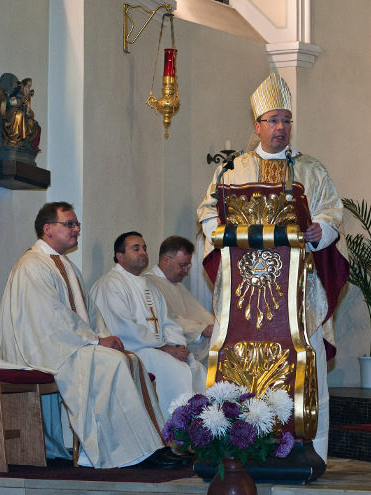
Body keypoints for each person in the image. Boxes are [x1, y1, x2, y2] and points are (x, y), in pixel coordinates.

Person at [197, 72, 349, 463]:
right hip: (246, 294)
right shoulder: (232, 171)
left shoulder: (311, 170)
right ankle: (238, 452)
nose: (280, 127)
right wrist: (222, 235)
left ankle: (310, 453)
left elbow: (333, 211)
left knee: (304, 364)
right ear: (257, 126)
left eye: (286, 120)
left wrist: (322, 229)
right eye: (273, 120)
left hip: (299, 294)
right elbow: (208, 210)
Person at [0, 202, 183, 469]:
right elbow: (50, 318)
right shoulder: (32, 265)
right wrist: (95, 340)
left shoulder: (65, 264)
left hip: (69, 343)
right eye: (69, 224)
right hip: (41, 347)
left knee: (130, 359)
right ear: (48, 229)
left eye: (77, 224)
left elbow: (89, 313)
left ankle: (153, 444)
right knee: (111, 363)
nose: (76, 229)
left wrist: (104, 336)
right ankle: (129, 451)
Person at [91, 232, 207, 421]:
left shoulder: (149, 286)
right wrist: (164, 348)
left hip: (155, 349)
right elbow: (124, 329)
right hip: (131, 352)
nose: (143, 252)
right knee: (176, 371)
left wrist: (178, 346)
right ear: (120, 256)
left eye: (144, 248)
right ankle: (172, 434)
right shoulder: (110, 285)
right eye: (135, 248)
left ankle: (203, 433)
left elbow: (168, 322)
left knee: (196, 368)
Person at [144, 236, 214, 365]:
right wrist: (202, 330)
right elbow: (167, 320)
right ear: (166, 260)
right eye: (182, 265)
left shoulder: (178, 286)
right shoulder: (149, 285)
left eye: (188, 265)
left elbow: (199, 314)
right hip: (174, 351)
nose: (186, 271)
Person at [0, 73, 41, 153]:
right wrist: (10, 102)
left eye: (17, 84)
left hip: (15, 113)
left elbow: (26, 109)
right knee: (18, 115)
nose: (16, 86)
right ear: (8, 83)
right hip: (5, 116)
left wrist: (28, 112)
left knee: (32, 123)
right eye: (14, 84)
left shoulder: (18, 93)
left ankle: (24, 142)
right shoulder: (0, 92)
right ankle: (13, 143)